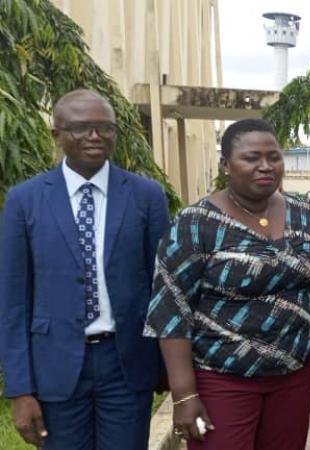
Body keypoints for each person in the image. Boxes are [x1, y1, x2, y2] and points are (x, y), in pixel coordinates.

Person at [0, 89, 170, 449]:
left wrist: (168, 367)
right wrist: (19, 389)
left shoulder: (146, 195)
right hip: (55, 366)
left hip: (126, 364)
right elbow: (13, 301)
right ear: (57, 133)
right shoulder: (24, 200)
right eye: (82, 127)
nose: (95, 136)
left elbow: (163, 287)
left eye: (104, 128)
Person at [144, 119, 310, 449]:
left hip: (294, 376)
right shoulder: (195, 222)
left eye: (274, 157)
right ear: (225, 165)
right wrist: (183, 395)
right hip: (222, 379)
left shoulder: (304, 213)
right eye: (251, 157)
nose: (265, 166)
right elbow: (171, 308)